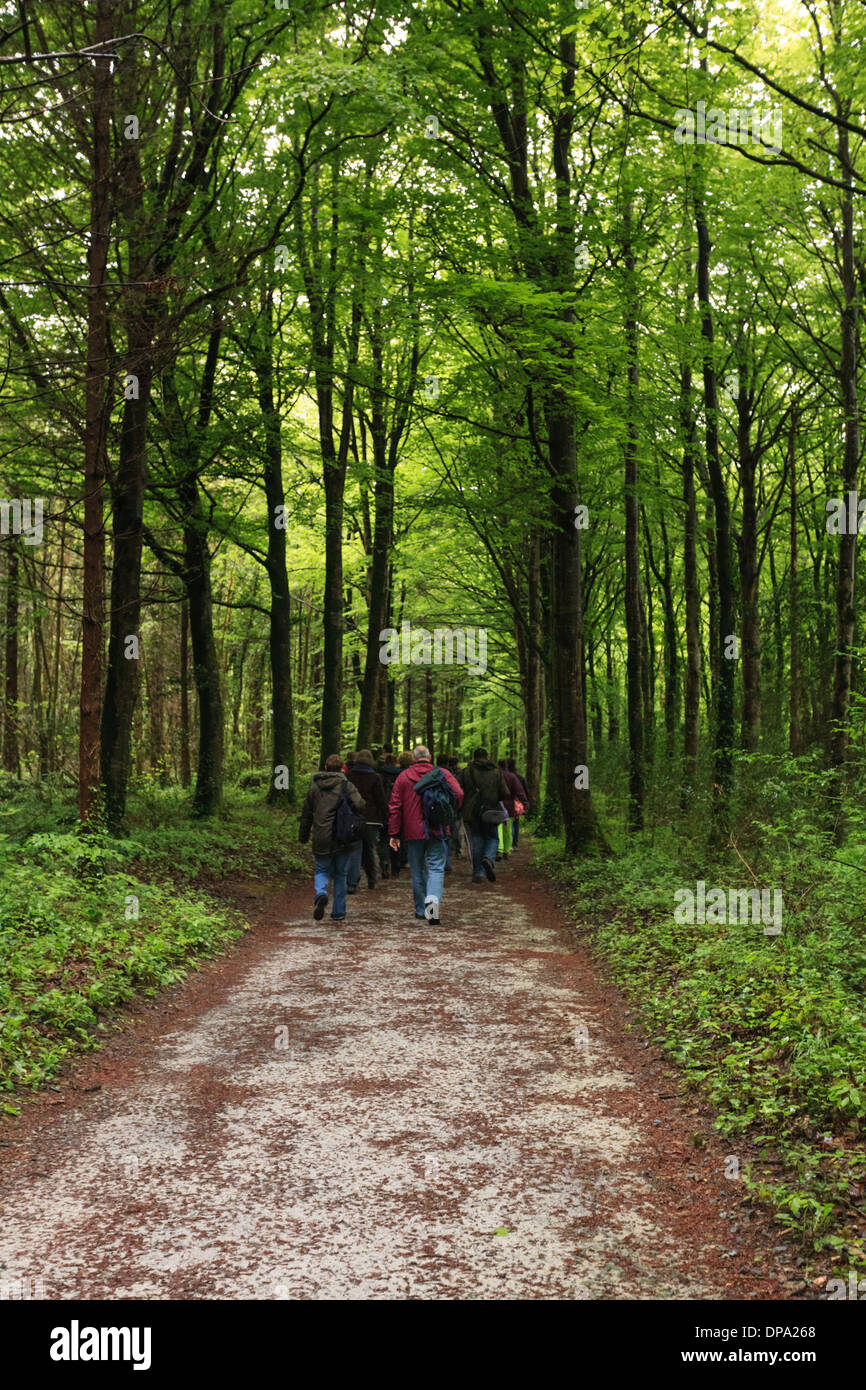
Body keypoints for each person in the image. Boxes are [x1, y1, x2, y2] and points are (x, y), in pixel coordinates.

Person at [388, 745, 463, 924]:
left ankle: (421, 910)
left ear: (414, 759)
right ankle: (432, 902)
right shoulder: (442, 773)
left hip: (413, 830)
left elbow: (395, 806)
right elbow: (459, 794)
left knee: (417, 869)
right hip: (437, 827)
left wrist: (394, 832)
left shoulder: (403, 776)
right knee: (436, 867)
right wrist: (450, 812)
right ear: (430, 758)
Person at [298, 754, 365, 922]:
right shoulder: (347, 785)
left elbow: (306, 814)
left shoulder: (315, 787)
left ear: (326, 768)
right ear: (342, 768)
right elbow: (360, 804)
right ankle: (339, 911)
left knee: (321, 870)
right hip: (343, 835)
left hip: (321, 835)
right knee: (341, 874)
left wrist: (303, 835)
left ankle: (321, 893)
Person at [460, 748, 510, 883]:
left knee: (476, 840)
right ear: (487, 757)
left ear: (474, 757)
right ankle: (488, 858)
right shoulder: (496, 772)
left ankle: (478, 873)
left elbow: (458, 790)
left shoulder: (466, 772)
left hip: (471, 812)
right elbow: (505, 792)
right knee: (493, 838)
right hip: (491, 811)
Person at [346, 749, 387, 891]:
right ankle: (371, 879)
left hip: (353, 817)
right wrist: (385, 817)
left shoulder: (349, 776)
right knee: (369, 849)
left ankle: (352, 882)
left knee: (354, 848)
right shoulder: (375, 778)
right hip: (371, 819)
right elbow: (381, 800)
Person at [375, 746, 401, 878]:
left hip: (383, 811)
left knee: (383, 839)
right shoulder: (401, 775)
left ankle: (384, 862)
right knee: (396, 837)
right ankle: (395, 867)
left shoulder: (379, 775)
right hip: (397, 810)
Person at [497, 757, 524, 860]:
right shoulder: (512, 777)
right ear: (506, 766)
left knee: (498, 827)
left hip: (497, 805)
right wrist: (525, 803)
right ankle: (506, 850)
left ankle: (499, 849)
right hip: (509, 807)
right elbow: (519, 791)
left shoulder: (496, 776)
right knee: (508, 829)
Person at [507, 757, 530, 849]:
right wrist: (525, 803)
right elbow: (525, 791)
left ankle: (508, 844)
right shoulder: (520, 777)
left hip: (506, 802)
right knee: (515, 823)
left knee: (507, 823)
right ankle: (514, 843)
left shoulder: (504, 776)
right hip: (518, 804)